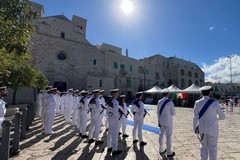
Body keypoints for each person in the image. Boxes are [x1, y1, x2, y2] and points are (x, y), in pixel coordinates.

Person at [193, 86, 225, 160]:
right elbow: (223, 117)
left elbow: (194, 117)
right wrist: (216, 117)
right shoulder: (215, 103)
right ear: (210, 92)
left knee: (203, 147)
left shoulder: (197, 103)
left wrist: (194, 128)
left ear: (201, 93)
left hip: (202, 129)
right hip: (213, 130)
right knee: (213, 148)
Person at [157, 88, 176, 158]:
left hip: (161, 121)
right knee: (169, 136)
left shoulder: (159, 101)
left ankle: (161, 149)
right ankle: (169, 152)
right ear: (168, 94)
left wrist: (159, 121)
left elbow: (158, 113)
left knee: (161, 134)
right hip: (168, 122)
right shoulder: (170, 102)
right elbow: (174, 113)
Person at [106, 89, 122, 155]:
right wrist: (119, 115)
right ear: (114, 94)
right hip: (114, 119)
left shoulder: (110, 100)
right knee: (115, 134)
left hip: (110, 118)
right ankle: (114, 149)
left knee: (110, 133)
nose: (118, 94)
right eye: (117, 93)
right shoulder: (115, 101)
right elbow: (115, 112)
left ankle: (109, 146)